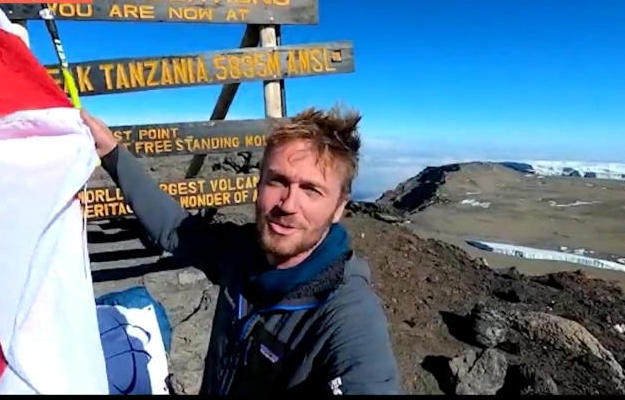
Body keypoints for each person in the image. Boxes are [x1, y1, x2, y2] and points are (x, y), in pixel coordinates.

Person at [80, 106, 401, 395]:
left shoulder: (345, 312)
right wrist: (113, 153)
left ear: (338, 209)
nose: (288, 205)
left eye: (311, 190)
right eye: (277, 181)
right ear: (259, 186)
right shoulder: (242, 252)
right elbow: (174, 229)